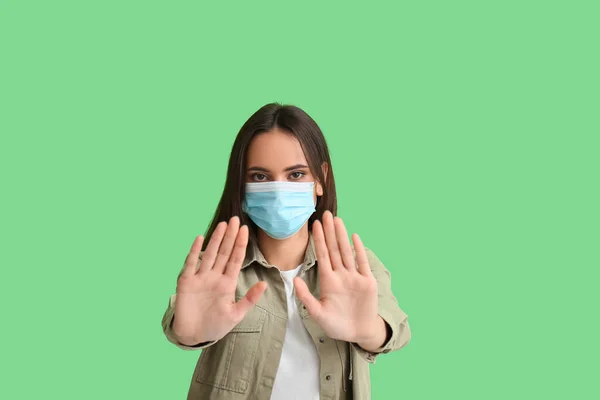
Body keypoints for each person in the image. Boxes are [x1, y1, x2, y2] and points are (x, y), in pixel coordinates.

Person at [161, 103, 411, 400]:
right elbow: (182, 323)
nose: (279, 191)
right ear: (240, 185)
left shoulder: (356, 267)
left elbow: (396, 329)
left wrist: (368, 330)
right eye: (259, 177)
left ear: (320, 179)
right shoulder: (214, 270)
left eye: (295, 175)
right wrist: (189, 334)